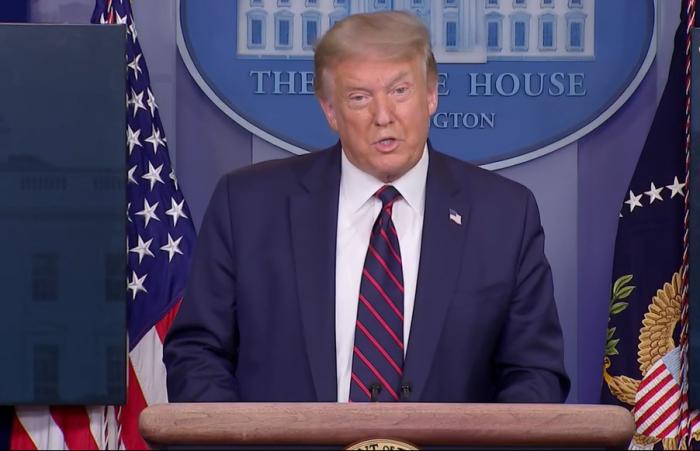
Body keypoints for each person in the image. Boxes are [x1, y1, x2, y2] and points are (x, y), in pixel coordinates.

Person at [163, 10, 569, 403]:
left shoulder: (504, 215)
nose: (383, 116)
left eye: (400, 91)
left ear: (431, 95)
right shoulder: (248, 206)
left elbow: (535, 373)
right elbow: (197, 355)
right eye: (359, 97)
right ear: (330, 111)